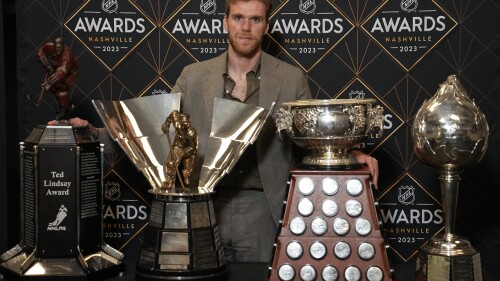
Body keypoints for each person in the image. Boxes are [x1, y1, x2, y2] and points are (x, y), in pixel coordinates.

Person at [53, 0, 379, 263]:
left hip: (262, 209)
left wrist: (351, 155)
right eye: (238, 17)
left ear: (266, 26)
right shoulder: (194, 76)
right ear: (225, 22)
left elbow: (309, 136)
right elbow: (156, 134)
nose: (246, 27)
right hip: (203, 204)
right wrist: (90, 134)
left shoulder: (290, 78)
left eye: (255, 19)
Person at [37, 37, 79, 121]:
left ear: (63, 47)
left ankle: (66, 111)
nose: (58, 50)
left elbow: (60, 74)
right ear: (54, 46)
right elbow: (40, 52)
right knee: (54, 88)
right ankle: (65, 105)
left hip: (70, 73)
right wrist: (47, 64)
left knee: (60, 88)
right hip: (57, 70)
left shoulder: (67, 56)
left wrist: (48, 82)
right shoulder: (49, 46)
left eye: (60, 48)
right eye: (56, 48)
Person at [161, 110, 198, 191]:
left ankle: (186, 174)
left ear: (189, 123)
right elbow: (173, 114)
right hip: (178, 145)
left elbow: (193, 147)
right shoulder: (177, 122)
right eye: (182, 124)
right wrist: (166, 124)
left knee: (189, 169)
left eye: (185, 124)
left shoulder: (191, 133)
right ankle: (170, 181)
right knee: (170, 163)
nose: (183, 127)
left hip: (189, 149)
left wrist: (183, 152)